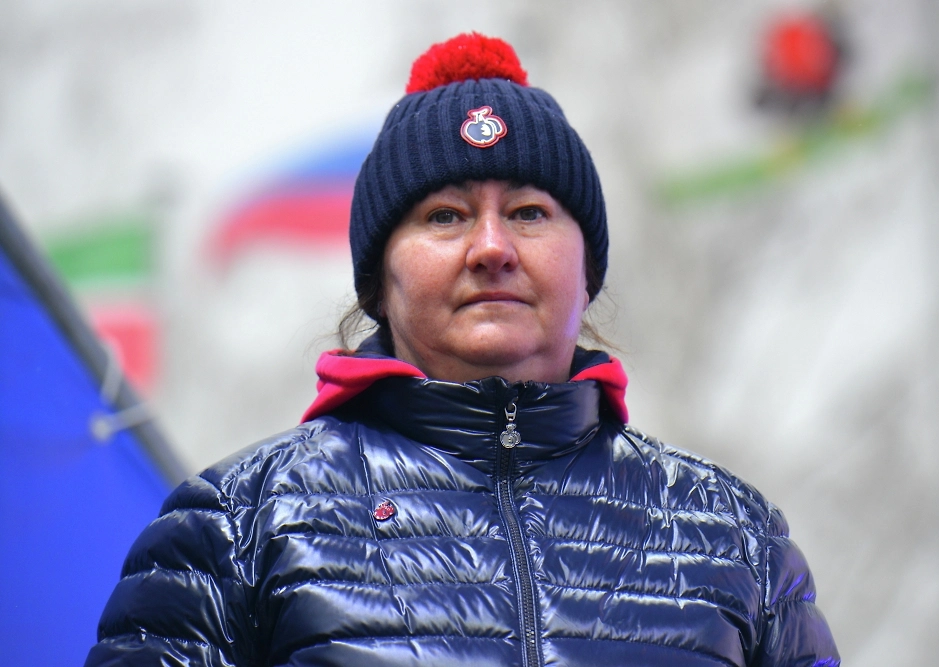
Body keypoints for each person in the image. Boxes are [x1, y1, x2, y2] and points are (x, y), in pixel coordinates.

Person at [86, 33, 839, 667]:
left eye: (529, 212)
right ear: (378, 283)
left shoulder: (731, 538)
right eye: (445, 215)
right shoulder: (237, 530)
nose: (491, 247)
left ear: (587, 271)